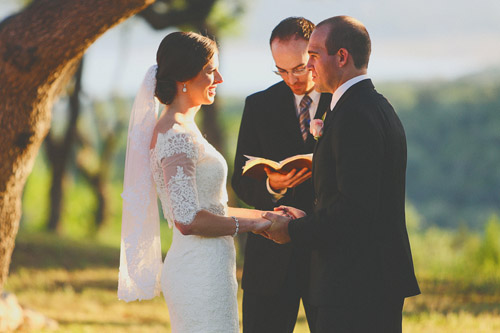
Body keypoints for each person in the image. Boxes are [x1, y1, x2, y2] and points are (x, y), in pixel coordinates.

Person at [262, 16, 421, 332]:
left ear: (343, 57)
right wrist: (306, 216)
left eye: (314, 54)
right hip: (371, 278)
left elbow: (354, 211)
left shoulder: (354, 117)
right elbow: (356, 198)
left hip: (356, 284)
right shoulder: (375, 105)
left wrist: (292, 231)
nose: (308, 65)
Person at [117, 31, 272, 333]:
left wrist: (266, 217)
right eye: (211, 71)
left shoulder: (186, 128)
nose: (220, 79)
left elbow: (211, 207)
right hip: (198, 272)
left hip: (211, 268)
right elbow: (187, 220)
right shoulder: (176, 137)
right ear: (184, 79)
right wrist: (253, 226)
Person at [232, 17, 332, 332]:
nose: (292, 79)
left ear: (316, 55)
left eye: (299, 68)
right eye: (282, 70)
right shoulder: (258, 105)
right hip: (271, 257)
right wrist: (271, 186)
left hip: (326, 254)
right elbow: (240, 180)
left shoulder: (342, 103)